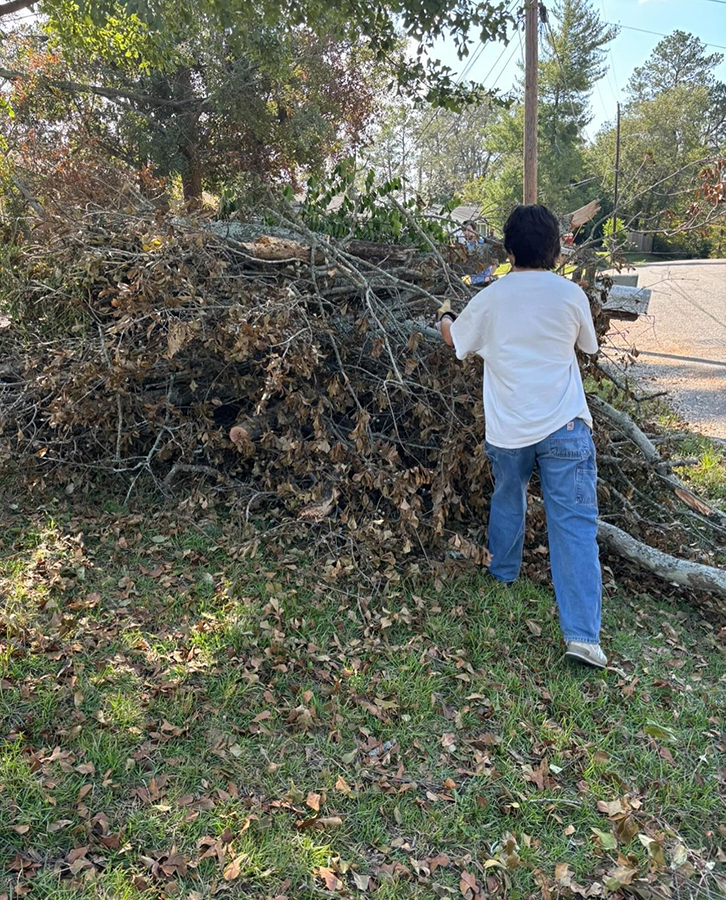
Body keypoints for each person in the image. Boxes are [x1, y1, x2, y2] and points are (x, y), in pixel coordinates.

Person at [436, 204, 606, 669]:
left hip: (509, 430)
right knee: (573, 525)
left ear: (508, 249)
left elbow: (456, 341)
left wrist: (445, 315)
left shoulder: (490, 297)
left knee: (509, 496)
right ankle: (583, 639)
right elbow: (586, 346)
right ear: (554, 249)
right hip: (565, 425)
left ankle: (503, 574)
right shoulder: (571, 295)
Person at [458, 219, 495, 287]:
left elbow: (495, 262)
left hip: (487, 282)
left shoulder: (484, 243)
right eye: (464, 230)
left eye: (469, 230)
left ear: (474, 230)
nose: (466, 233)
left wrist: (489, 276)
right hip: (474, 283)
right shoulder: (465, 248)